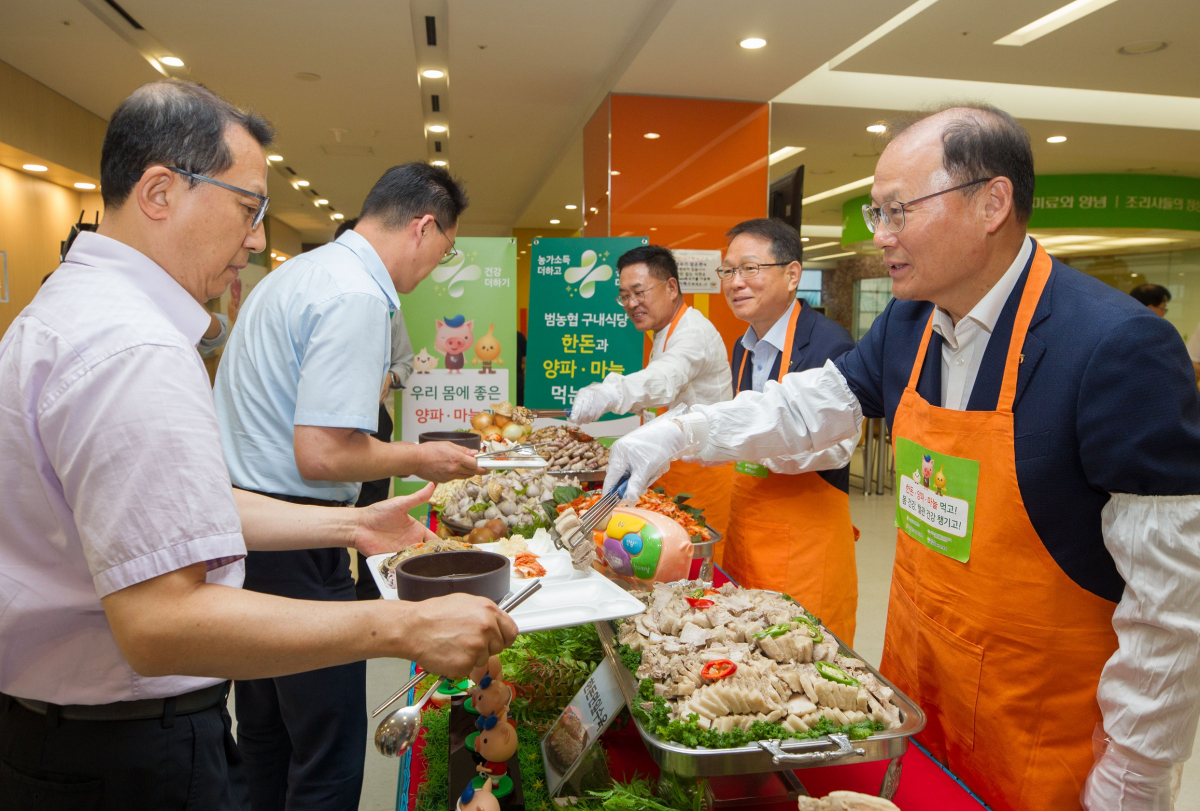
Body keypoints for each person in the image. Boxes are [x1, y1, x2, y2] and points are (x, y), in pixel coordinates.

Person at [604, 103, 1200, 811]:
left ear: (992, 202)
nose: (880, 236)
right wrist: (680, 432)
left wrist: (1131, 783)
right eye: (874, 214)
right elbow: (808, 404)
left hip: (1043, 735)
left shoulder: (1116, 347)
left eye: (897, 211)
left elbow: (1172, 607)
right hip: (917, 699)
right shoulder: (911, 320)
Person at [0, 80, 516, 811]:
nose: (254, 239)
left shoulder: (77, 309)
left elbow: (165, 509)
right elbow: (159, 622)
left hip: (67, 733)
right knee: (320, 755)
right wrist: (406, 624)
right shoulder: (132, 346)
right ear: (160, 191)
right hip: (122, 752)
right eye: (247, 209)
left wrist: (350, 523)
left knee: (273, 753)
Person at [213, 162, 483, 810]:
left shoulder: (299, 273)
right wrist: (422, 456)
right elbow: (324, 453)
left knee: (267, 737)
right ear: (422, 228)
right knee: (327, 750)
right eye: (441, 254)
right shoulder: (360, 294)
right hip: (298, 541)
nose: (430, 274)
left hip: (246, 528)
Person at [717, 218, 859, 643]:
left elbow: (834, 447)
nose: (736, 282)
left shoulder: (829, 345)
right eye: (728, 271)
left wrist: (724, 435)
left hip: (805, 548)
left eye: (750, 268)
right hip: (747, 535)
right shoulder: (742, 348)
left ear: (792, 274)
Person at [569, 245, 734, 535]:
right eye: (624, 296)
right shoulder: (664, 330)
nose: (631, 303)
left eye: (639, 292)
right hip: (671, 467)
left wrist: (611, 393)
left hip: (702, 479)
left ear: (671, 287)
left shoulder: (692, 332)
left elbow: (665, 379)